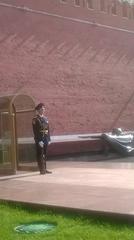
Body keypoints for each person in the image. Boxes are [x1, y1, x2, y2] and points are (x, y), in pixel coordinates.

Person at [32, 103, 52, 174]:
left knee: (45, 154)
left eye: (44, 108)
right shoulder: (35, 119)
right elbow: (35, 131)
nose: (43, 110)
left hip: (45, 139)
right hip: (39, 140)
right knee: (40, 154)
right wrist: (39, 140)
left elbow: (48, 129)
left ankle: (45, 168)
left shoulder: (45, 118)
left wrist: (49, 139)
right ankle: (41, 170)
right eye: (42, 109)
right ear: (38, 110)